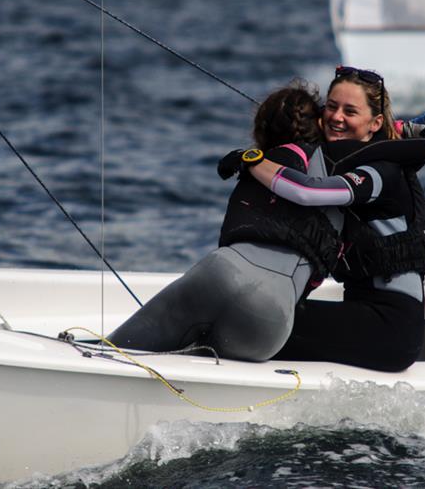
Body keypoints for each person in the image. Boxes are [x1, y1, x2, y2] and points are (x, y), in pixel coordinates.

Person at [107, 80, 343, 362]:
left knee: (112, 353)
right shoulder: (343, 185)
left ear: (261, 130)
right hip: (271, 317)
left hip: (220, 276)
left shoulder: (258, 165)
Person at [244, 66, 425, 372]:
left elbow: (307, 192)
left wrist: (251, 161)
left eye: (349, 110)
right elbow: (345, 134)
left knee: (255, 319)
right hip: (363, 313)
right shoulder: (349, 155)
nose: (336, 116)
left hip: (389, 329)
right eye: (331, 106)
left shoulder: (380, 171)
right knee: (260, 312)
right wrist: (406, 127)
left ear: (374, 123)